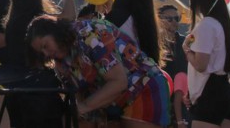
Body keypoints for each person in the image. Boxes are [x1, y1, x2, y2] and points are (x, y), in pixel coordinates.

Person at [27, 15, 170, 127]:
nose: (46, 54)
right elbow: (80, 94)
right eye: (41, 52)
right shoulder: (61, 61)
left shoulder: (90, 34)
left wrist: (83, 108)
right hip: (111, 103)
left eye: (45, 45)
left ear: (55, 32)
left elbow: (118, 82)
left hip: (141, 87)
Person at [2, 0, 62, 128]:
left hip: (15, 87)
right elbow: (68, 18)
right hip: (38, 88)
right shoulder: (38, 22)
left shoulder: (11, 22)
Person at [184, 0, 230, 127]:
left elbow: (200, 65)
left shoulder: (206, 25)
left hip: (210, 93)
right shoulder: (221, 24)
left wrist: (187, 51)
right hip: (223, 90)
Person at [157, 5, 188, 128]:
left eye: (177, 18)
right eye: (169, 19)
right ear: (159, 20)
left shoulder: (186, 41)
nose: (174, 22)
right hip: (162, 96)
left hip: (183, 97)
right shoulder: (155, 42)